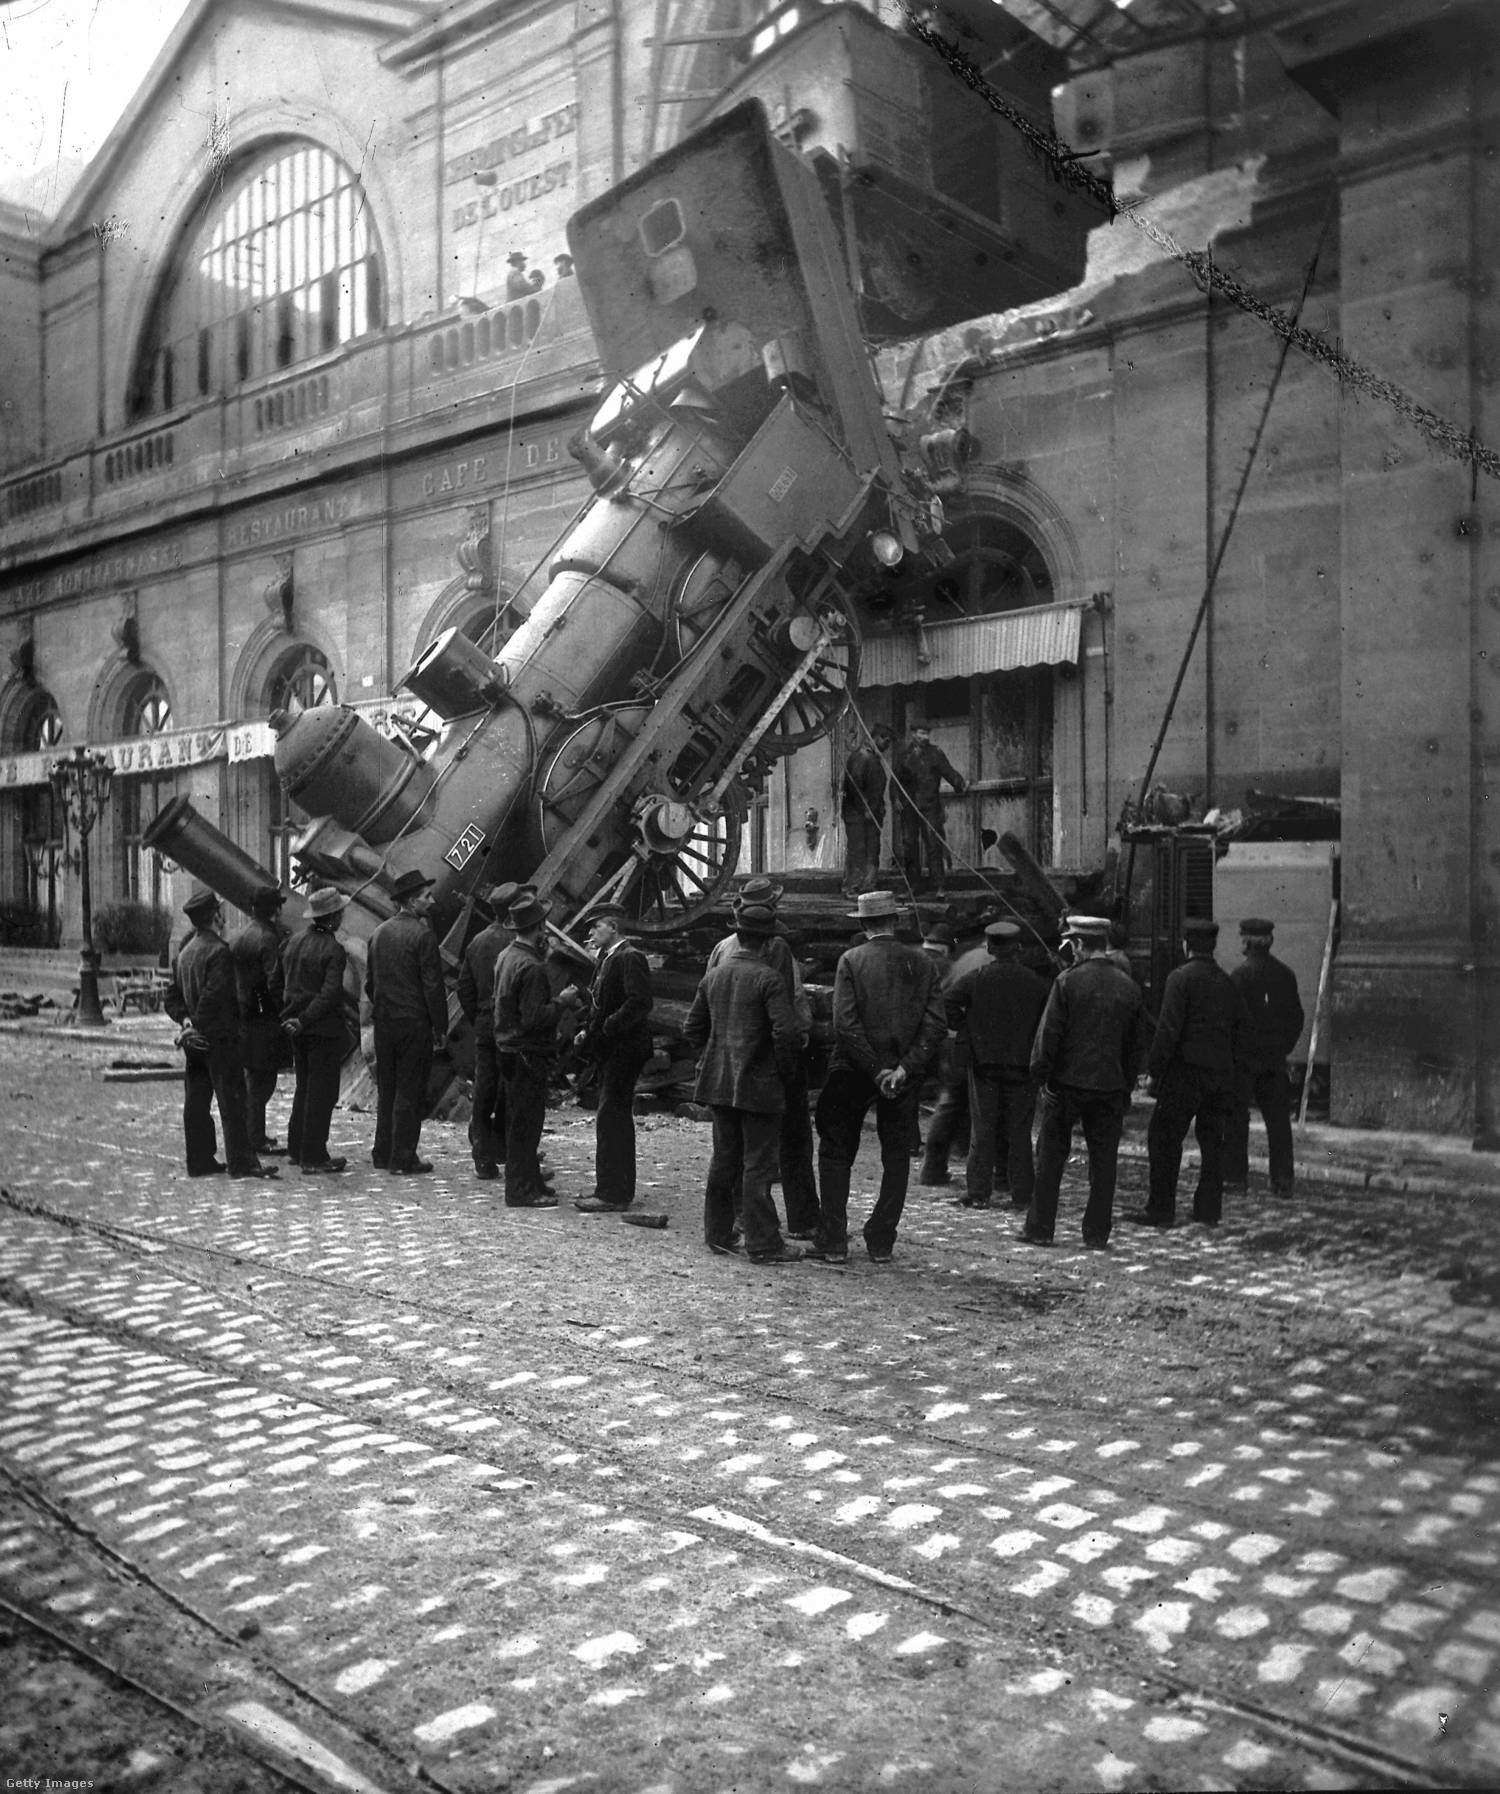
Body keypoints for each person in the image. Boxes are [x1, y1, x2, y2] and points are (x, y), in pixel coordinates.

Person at [812, 890, 946, 1265]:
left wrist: (874, 1069)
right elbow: (935, 1024)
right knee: (896, 1156)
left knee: (836, 1152)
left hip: (854, 1071)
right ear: (895, 921)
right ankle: (881, 1241)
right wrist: (903, 1068)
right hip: (903, 1075)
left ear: (863, 923)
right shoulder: (923, 963)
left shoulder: (851, 960)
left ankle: (834, 1239)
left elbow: (845, 1024)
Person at [683, 903, 805, 1264]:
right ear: (767, 943)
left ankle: (718, 1235)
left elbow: (692, 1029)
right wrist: (782, 1072)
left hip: (719, 1085)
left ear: (739, 935)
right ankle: (764, 1243)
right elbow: (787, 1033)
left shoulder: (714, 976)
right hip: (759, 1086)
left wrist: (714, 1057)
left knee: (724, 1161)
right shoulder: (769, 979)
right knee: (758, 1165)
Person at [1023, 914, 1150, 1248]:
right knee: (1104, 1163)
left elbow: (1048, 1036)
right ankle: (1096, 1234)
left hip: (1066, 1085)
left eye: (1073, 944)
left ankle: (1040, 1228)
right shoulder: (1129, 987)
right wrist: (1126, 1085)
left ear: (1079, 944)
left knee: (1051, 1157)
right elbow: (1137, 1046)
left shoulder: (1067, 982)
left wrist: (1041, 1076)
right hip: (1109, 1087)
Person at [705, 878, 819, 1239]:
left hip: (727, 1066)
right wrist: (788, 1058)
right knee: (789, 1142)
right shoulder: (777, 948)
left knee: (730, 1150)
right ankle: (801, 1221)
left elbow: (704, 1014)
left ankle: (736, 1220)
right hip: (770, 1063)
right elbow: (785, 1012)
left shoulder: (721, 950)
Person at [1131, 916, 1248, 1230]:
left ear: (1186, 945)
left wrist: (1155, 1071)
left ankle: (1161, 1209)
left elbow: (1168, 1031)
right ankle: (1208, 1209)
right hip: (1220, 1075)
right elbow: (1239, 1033)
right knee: (1213, 1144)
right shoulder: (1227, 982)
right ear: (1211, 946)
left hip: (1184, 1074)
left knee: (1164, 1140)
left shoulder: (1180, 979)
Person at [163, 884, 278, 1181]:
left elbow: (171, 996)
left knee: (197, 1102)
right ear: (214, 917)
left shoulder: (185, 952)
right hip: (220, 1041)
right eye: (219, 912)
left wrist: (186, 1024)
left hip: (196, 1042)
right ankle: (242, 1163)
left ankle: (199, 1161)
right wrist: (197, 1026)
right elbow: (215, 997)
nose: (222, 917)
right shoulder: (218, 952)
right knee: (233, 1103)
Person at [945, 920, 1050, 1212]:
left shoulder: (977, 978)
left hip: (984, 1065)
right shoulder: (1036, 983)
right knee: (1019, 1133)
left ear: (990, 948)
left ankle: (978, 1192)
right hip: (1022, 1066)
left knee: (983, 1130)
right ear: (1018, 948)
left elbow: (948, 1003)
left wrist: (968, 1028)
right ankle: (1022, 1195)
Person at [365, 868, 447, 1176]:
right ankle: (403, 1158)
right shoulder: (423, 935)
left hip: (384, 1023)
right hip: (413, 1023)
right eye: (426, 896)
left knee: (388, 1088)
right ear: (412, 902)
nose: (431, 900)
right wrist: (440, 1026)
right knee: (409, 1090)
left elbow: (369, 984)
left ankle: (382, 1152)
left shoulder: (379, 932)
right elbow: (433, 987)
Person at [573, 904, 654, 1213]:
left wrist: (607, 1027)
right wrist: (588, 1031)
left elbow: (640, 1002)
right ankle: (613, 1188)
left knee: (612, 1118)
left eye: (596, 927)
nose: (591, 933)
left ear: (613, 928)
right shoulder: (607, 958)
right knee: (613, 1117)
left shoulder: (630, 957)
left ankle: (613, 1193)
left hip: (625, 1049)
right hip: (612, 1048)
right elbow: (602, 1002)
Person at [1225, 917, 1305, 1197]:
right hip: (1273, 1060)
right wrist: (1283, 1047)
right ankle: (1282, 1179)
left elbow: (1231, 1021)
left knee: (1237, 1119)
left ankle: (1235, 1178)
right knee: (1279, 1122)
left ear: (1246, 942)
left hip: (1245, 1061)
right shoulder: (1285, 974)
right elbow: (1296, 1018)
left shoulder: (1239, 976)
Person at [492, 891, 561, 1208]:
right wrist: (563, 1003)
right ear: (540, 928)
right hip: (527, 1052)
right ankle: (520, 1190)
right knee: (526, 1125)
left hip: (507, 1048)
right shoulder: (531, 967)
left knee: (520, 1121)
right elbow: (535, 1018)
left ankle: (531, 1181)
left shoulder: (506, 956)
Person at [456, 881, 526, 1180]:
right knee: (514, 1089)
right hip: (513, 1026)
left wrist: (480, 1017)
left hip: (486, 1024)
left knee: (484, 1089)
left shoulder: (478, 941)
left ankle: (483, 1156)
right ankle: (512, 1154)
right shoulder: (518, 945)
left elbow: (464, 987)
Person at [279, 886, 351, 1173]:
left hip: (296, 1028)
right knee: (322, 1093)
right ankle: (314, 1155)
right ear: (333, 917)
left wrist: (290, 1017)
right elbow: (330, 993)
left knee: (303, 1088)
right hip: (321, 1029)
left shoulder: (293, 942)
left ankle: (296, 1150)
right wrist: (306, 1019)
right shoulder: (333, 949)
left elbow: (276, 983)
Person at [231, 884, 289, 1156]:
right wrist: (282, 1013)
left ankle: (252, 1133)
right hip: (264, 1020)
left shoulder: (240, 935)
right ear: (275, 910)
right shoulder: (268, 938)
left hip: (243, 1016)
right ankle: (255, 1139)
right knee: (263, 1081)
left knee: (252, 1078)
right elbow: (273, 982)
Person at [892, 722, 967, 892]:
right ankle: (914, 885)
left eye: (927, 733)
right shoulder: (903, 755)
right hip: (909, 806)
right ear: (913, 734)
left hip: (930, 805)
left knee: (934, 845)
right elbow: (894, 780)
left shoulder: (935, 753)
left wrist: (959, 783)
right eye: (921, 733)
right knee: (910, 845)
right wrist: (895, 799)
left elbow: (948, 771)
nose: (925, 737)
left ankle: (939, 885)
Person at [841, 725, 894, 896]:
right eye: (885, 740)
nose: (887, 744)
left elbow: (876, 788)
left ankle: (868, 886)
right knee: (858, 849)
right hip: (857, 814)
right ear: (876, 737)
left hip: (872, 814)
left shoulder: (874, 759)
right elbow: (855, 786)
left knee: (872, 848)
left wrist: (879, 808)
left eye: (889, 742)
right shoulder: (862, 757)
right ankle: (852, 887)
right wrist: (865, 809)